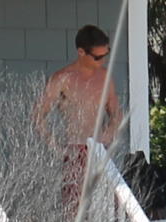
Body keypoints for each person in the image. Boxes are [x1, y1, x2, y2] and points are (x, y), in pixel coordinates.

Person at [33, 24, 126, 210]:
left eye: (105, 55)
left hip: (99, 151)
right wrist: (56, 146)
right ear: (81, 52)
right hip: (74, 151)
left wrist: (108, 135)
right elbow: (38, 117)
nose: (102, 61)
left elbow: (116, 113)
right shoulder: (63, 78)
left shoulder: (105, 77)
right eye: (98, 57)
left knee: (107, 206)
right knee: (75, 208)